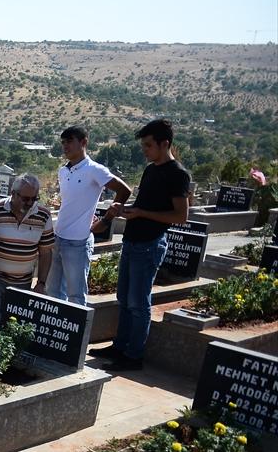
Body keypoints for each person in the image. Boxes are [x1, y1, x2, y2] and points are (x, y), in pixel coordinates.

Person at [91, 118, 191, 372]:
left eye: (148, 145)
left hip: (149, 244)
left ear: (164, 143)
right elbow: (144, 205)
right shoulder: (151, 169)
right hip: (132, 241)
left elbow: (180, 216)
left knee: (138, 303)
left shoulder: (177, 174)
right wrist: (124, 210)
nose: (144, 150)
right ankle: (120, 346)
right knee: (124, 298)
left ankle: (133, 355)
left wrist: (141, 214)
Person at [49, 126, 132, 307]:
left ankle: (73, 334)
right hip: (59, 237)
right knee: (53, 292)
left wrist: (107, 219)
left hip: (78, 241)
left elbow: (124, 190)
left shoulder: (95, 170)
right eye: (63, 142)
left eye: (70, 141)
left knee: (76, 296)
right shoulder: (63, 171)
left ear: (84, 142)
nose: (65, 146)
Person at [0, 174, 54, 333]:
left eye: (34, 198)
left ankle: (2, 354)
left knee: (11, 321)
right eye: (25, 198)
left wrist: (41, 283)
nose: (30, 203)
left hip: (21, 281)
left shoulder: (43, 215)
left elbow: (45, 252)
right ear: (13, 193)